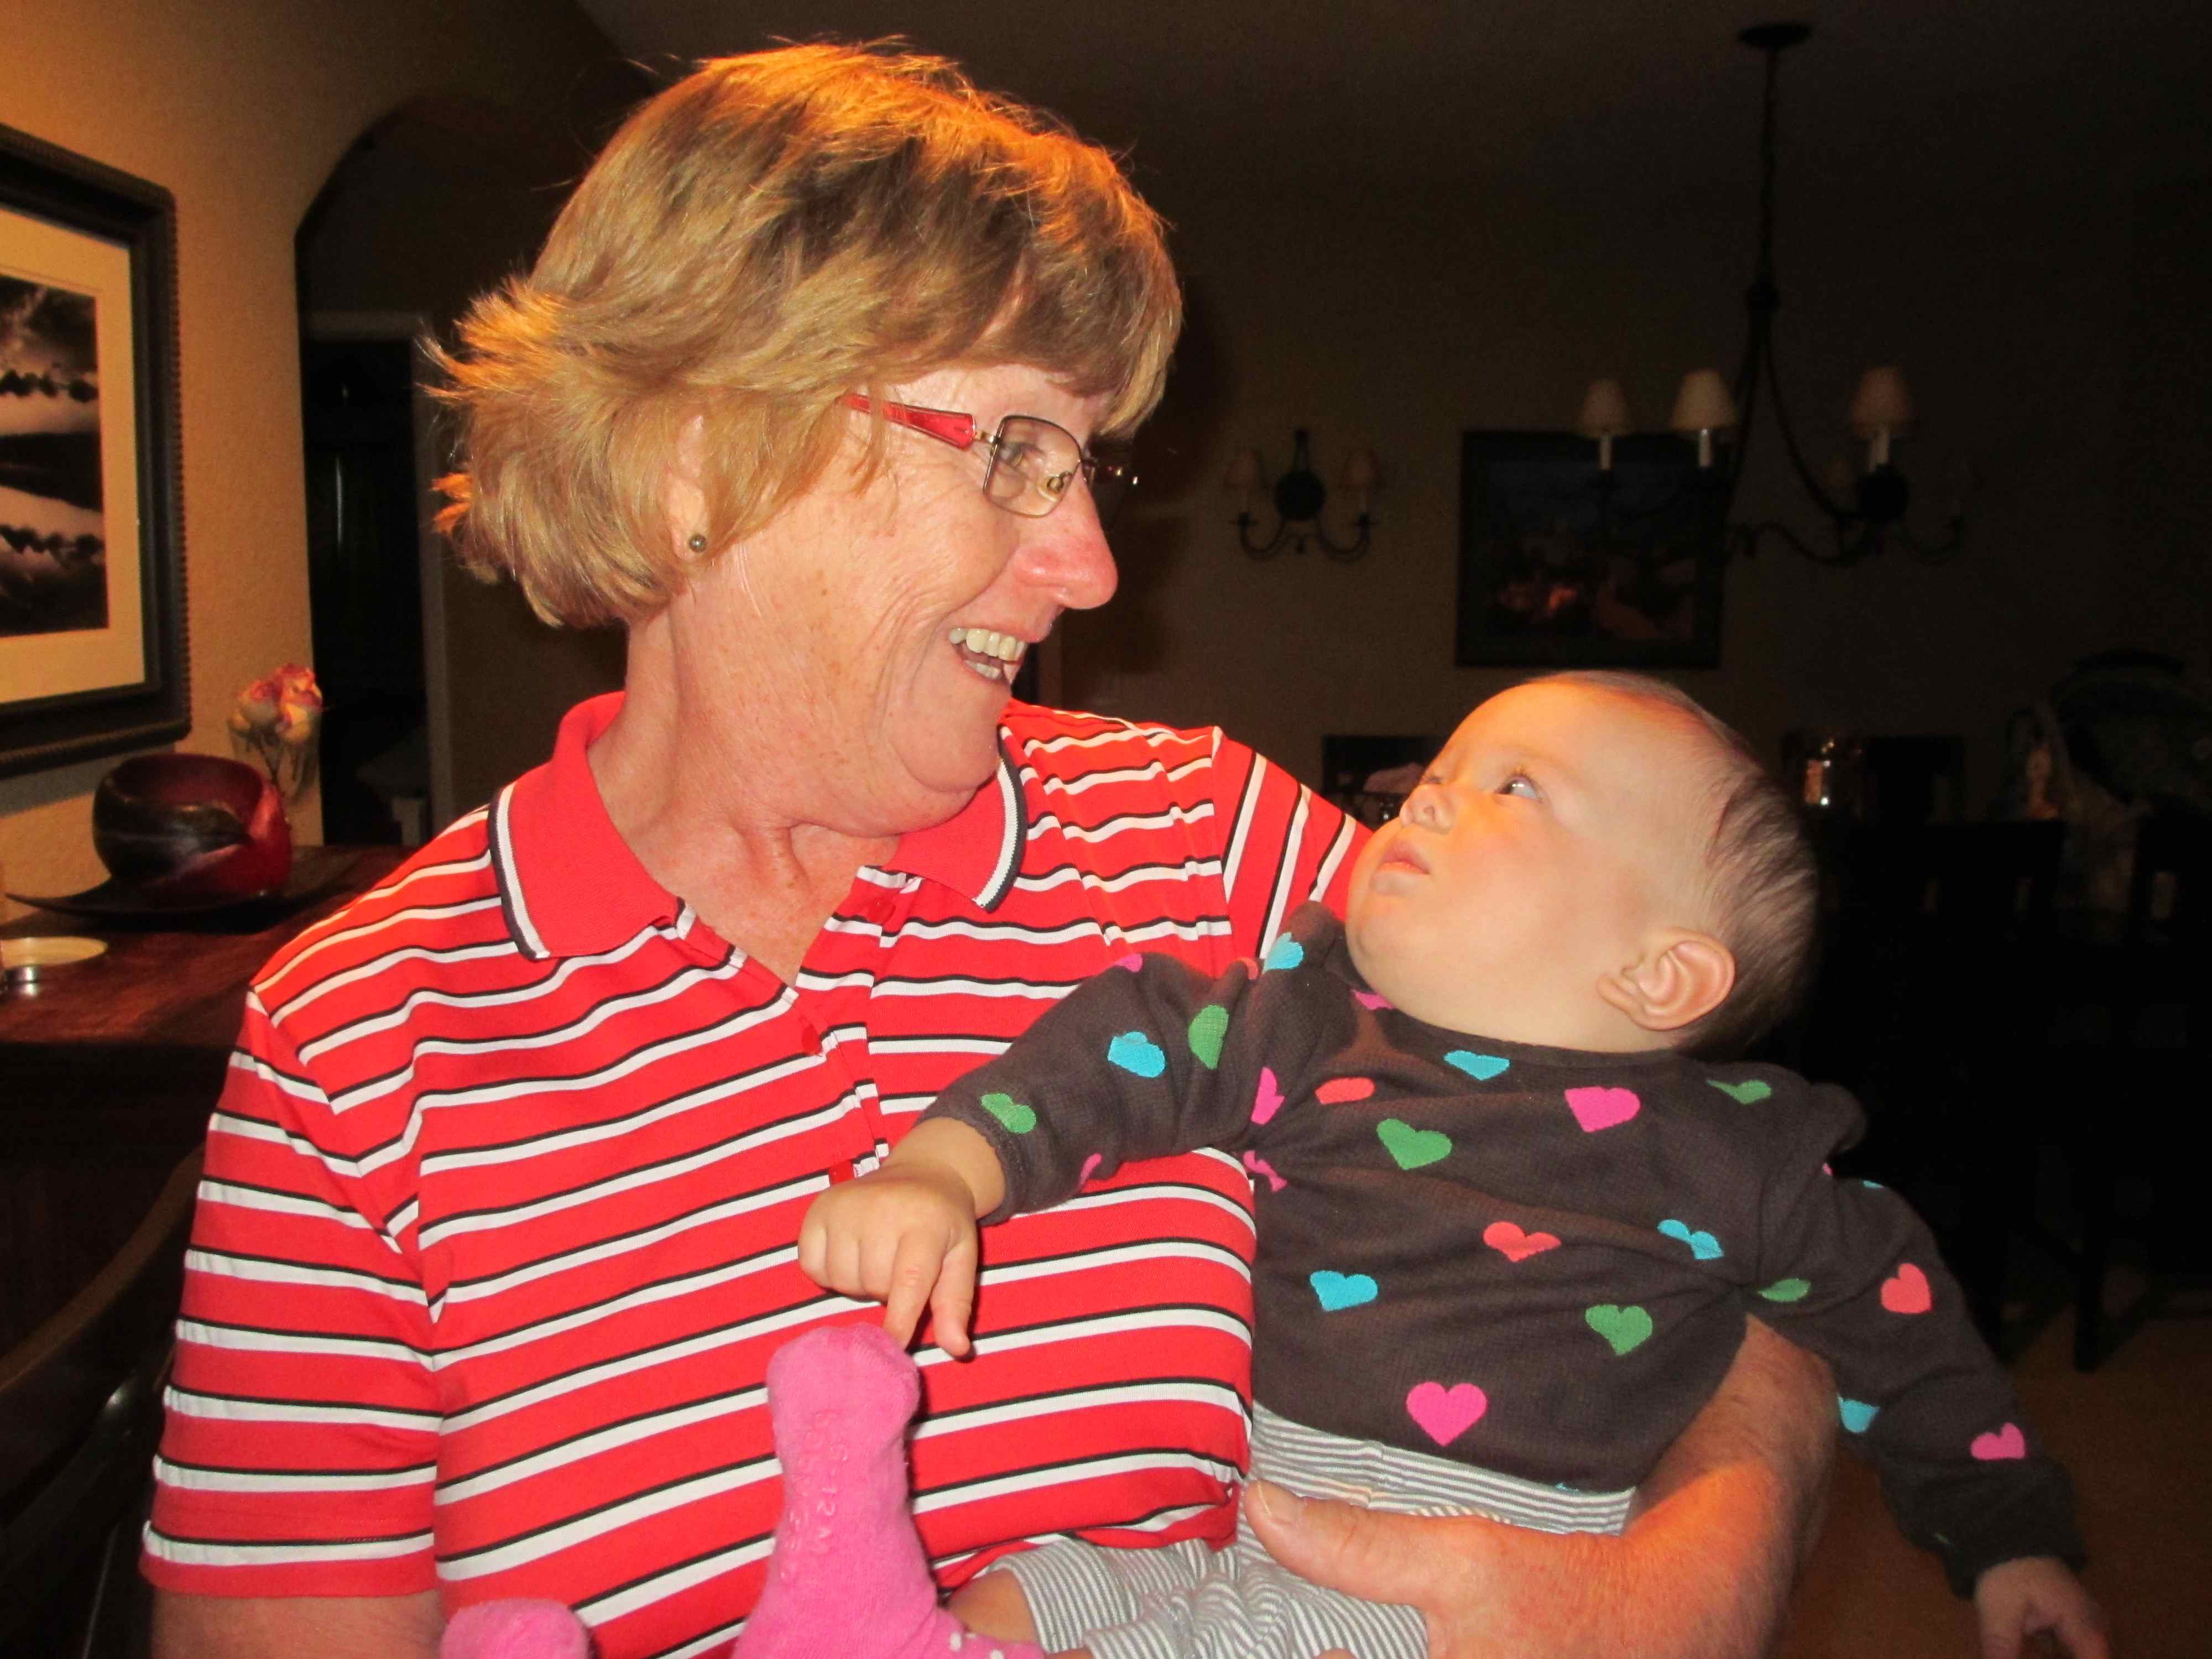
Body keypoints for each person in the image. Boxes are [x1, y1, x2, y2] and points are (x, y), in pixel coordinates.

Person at [144, 45, 1835, 1659]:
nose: (1093, 565)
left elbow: (1742, 1220)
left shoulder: (1217, 845)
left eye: (1086, 465)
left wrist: (1684, 1595)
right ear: (696, 459)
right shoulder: (356, 1044)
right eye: (1014, 451)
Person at [784, 673, 2107, 1659]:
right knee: (1032, 1587)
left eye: (1515, 789)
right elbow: (1124, 1047)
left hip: (1481, 1588)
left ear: (1658, 974)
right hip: (1255, 1528)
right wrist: (944, 1171)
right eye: (1448, 766)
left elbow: (1899, 1332)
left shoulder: (1733, 1151)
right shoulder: (1309, 1024)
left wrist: (2006, 1536)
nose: (1429, 788)